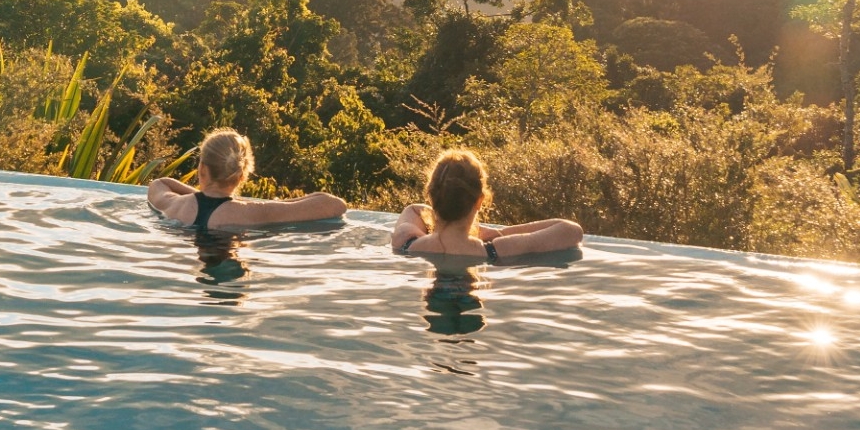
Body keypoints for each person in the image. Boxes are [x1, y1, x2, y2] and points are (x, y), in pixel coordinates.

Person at [391, 147, 582, 265]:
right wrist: (499, 233)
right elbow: (572, 230)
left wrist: (444, 221)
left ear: (432, 197)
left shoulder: (405, 243)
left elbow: (414, 209)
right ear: (480, 201)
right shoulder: (497, 250)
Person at [148, 128, 346, 236]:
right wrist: (271, 205)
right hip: (229, 271)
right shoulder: (253, 212)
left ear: (202, 169)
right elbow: (335, 205)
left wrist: (203, 197)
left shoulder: (174, 205)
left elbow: (159, 183)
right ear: (242, 175)